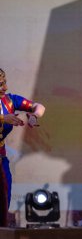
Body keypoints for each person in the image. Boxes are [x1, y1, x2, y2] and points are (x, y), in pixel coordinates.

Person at [0, 68, 45, 226]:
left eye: (4, 83)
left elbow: (39, 106)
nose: (5, 88)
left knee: (4, 193)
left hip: (1, 156)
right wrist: (2, 118)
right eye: (0, 84)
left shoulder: (9, 101)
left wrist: (34, 115)